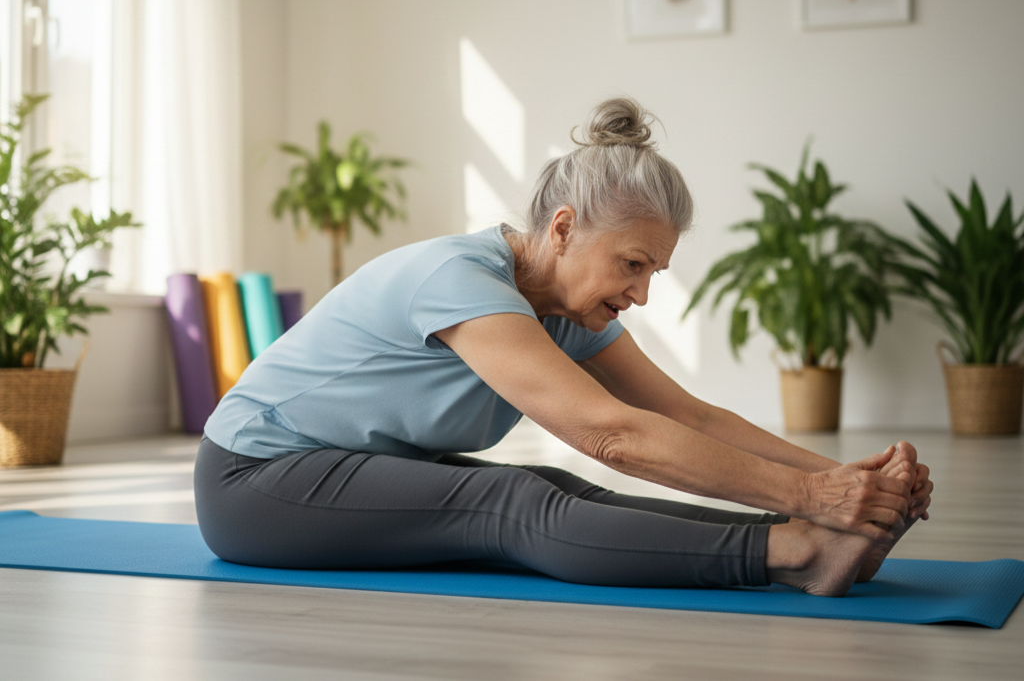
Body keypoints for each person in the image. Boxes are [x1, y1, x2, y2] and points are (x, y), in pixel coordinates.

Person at [194, 97, 933, 597]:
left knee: (563, 496)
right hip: (254, 480)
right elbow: (612, 434)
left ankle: (812, 541)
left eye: (654, 271)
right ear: (562, 227)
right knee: (510, 500)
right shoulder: (460, 280)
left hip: (341, 465)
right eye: (632, 263)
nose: (641, 292)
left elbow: (692, 418)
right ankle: (798, 553)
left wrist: (842, 481)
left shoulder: (567, 309)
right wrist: (816, 494)